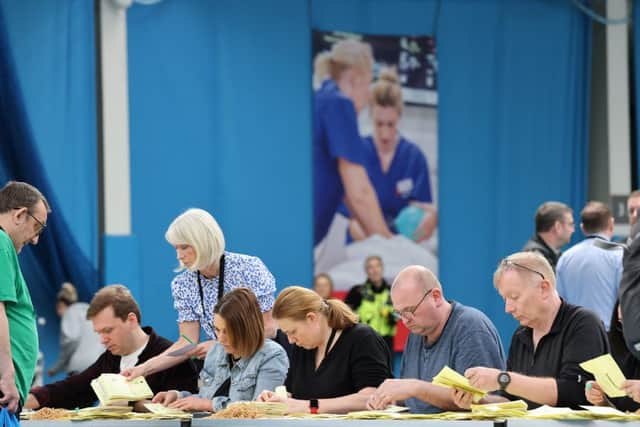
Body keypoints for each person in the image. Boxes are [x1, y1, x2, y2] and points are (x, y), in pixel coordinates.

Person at [122, 208, 281, 380]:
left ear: (203, 242)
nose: (179, 255)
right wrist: (142, 369)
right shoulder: (183, 283)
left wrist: (220, 344)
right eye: (176, 248)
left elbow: (269, 329)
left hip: (263, 364)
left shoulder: (249, 268)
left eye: (184, 247)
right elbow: (187, 342)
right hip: (225, 369)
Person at [453, 252, 608, 410]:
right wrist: (477, 401)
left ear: (544, 288)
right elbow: (512, 401)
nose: (508, 308)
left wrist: (503, 379)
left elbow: (574, 392)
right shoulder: (521, 336)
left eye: (514, 297)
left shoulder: (583, 324)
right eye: (505, 299)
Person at [25, 285, 198, 410]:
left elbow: (188, 408)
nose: (102, 340)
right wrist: (31, 398)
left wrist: (133, 404)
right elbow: (74, 388)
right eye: (98, 333)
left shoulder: (173, 359)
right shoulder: (110, 359)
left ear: (131, 320)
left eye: (108, 331)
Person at [366, 265, 505, 413]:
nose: (405, 321)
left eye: (409, 310)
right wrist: (387, 399)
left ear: (436, 297)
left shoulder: (471, 327)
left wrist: (415, 387)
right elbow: (412, 401)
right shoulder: (416, 333)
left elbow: (485, 402)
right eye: (399, 313)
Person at [258, 286, 392, 414]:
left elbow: (373, 398)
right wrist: (275, 399)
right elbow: (293, 394)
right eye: (286, 333)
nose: (290, 340)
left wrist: (310, 406)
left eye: (293, 332)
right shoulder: (303, 346)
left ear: (311, 318)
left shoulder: (362, 339)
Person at [340, 67, 436, 243]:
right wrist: (376, 244)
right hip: (362, 246)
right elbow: (351, 217)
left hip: (402, 247)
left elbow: (424, 214)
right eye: (379, 124)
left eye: (390, 125)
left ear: (399, 117)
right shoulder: (356, 154)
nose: (385, 134)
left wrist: (430, 220)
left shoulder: (414, 158)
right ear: (370, 117)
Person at [152, 288, 288, 412]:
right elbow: (207, 396)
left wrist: (208, 405)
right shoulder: (216, 350)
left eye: (228, 332)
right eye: (217, 330)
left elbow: (261, 410)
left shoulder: (272, 355)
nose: (220, 339)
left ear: (247, 329)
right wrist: (178, 396)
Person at [313, 38, 392, 247]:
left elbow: (349, 194)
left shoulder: (321, 99)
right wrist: (391, 244)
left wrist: (380, 237)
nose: (368, 95)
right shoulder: (339, 104)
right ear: (353, 78)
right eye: (368, 84)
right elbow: (360, 192)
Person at [0, 181, 49, 414]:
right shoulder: (1, 244)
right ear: (20, 214)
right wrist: (7, 376)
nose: (35, 239)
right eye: (37, 227)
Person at [555, 201, 622, 330]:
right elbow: (625, 299)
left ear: (582, 228)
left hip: (574, 334)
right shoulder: (618, 255)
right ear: (611, 225)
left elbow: (559, 302)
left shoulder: (566, 258)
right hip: (609, 335)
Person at [584, 303, 640, 412]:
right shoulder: (622, 352)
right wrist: (601, 401)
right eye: (621, 322)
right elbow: (620, 413)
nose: (627, 330)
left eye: (632, 321)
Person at [47, 282, 103, 377]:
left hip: (79, 369)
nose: (58, 313)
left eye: (58, 309)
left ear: (61, 305)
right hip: (99, 366)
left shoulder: (70, 313)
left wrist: (56, 368)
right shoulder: (88, 310)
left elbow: (71, 340)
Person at [344, 255, 395, 353]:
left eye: (377, 266)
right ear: (366, 271)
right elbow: (345, 315)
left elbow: (401, 315)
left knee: (386, 368)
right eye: (370, 267)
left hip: (387, 343)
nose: (375, 270)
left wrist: (389, 316)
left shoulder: (392, 291)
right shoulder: (357, 291)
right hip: (363, 341)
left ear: (382, 268)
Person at [522, 201, 575, 270]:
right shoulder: (534, 257)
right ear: (557, 227)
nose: (573, 230)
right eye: (570, 224)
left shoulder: (553, 254)